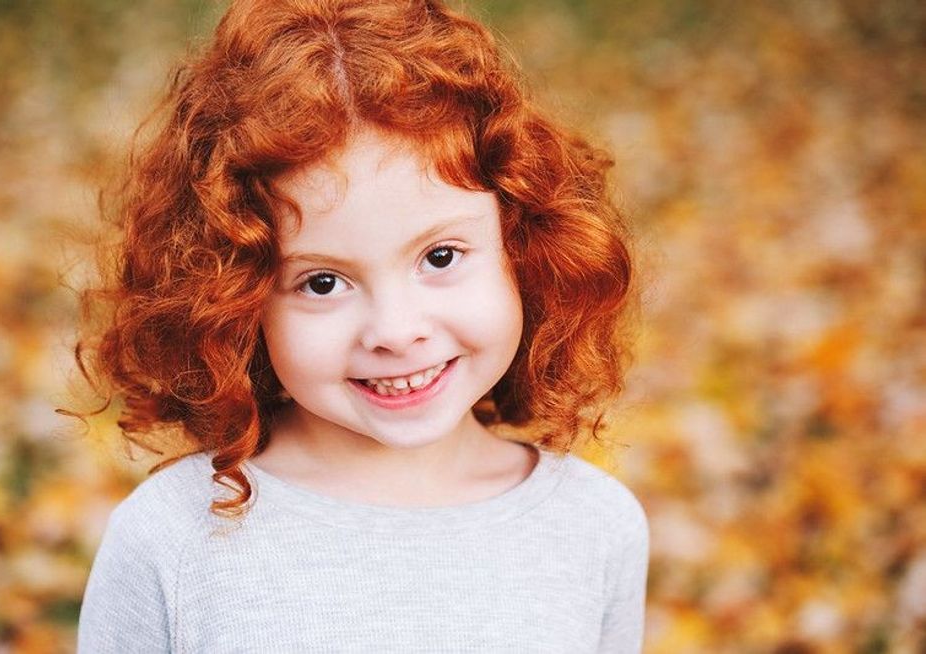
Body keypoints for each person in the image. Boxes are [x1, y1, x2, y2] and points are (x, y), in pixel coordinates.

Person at [73, 0, 649, 651]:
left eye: (440, 257)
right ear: (234, 299)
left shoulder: (594, 528)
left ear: (524, 247)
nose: (396, 331)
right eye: (322, 282)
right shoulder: (172, 540)